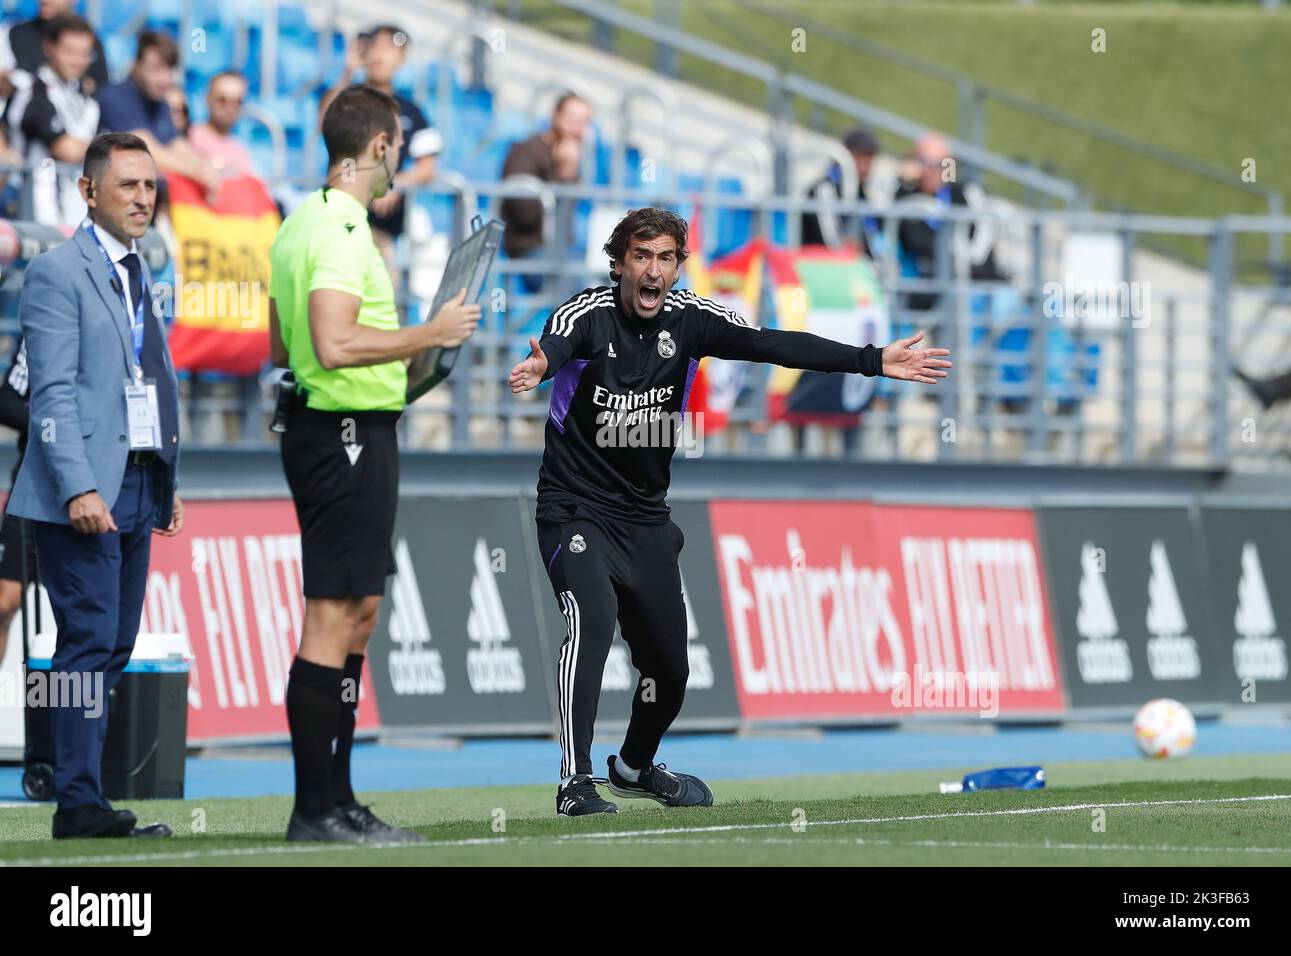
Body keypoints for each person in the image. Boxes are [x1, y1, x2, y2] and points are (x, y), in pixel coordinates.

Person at [507, 207, 951, 815]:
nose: (653, 270)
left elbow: (773, 344)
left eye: (666, 258)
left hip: (645, 519)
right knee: (593, 617)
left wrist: (872, 361)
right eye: (641, 256)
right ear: (619, 264)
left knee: (670, 668)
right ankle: (573, 781)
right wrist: (541, 366)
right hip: (574, 509)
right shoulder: (588, 314)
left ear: (678, 267)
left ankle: (634, 767)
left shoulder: (693, 318)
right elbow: (557, 343)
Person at [268, 84, 480, 843]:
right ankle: (313, 809)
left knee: (359, 616)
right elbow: (331, 344)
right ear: (382, 146)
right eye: (398, 149)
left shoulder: (305, 222)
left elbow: (281, 347)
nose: (399, 165)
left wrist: (412, 364)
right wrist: (431, 330)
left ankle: (340, 799)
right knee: (331, 618)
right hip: (341, 432)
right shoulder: (337, 229)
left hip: (353, 426)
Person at [5, 132, 182, 839]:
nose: (143, 199)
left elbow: (152, 384)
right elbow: (50, 397)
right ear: (88, 191)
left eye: (149, 186)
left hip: (140, 480)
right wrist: (79, 488)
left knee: (112, 644)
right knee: (85, 644)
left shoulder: (142, 272)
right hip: (84, 490)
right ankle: (77, 804)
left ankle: (87, 794)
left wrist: (168, 477)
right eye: (128, 186)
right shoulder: (56, 271)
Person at [318, 25, 440, 274]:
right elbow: (324, 122)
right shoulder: (349, 98)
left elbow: (427, 169)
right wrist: (348, 70)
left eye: (389, 48)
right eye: (375, 47)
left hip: (383, 229)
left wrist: (392, 183)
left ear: (402, 58)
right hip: (340, 218)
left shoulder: (411, 111)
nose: (380, 55)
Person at [2, 13, 99, 228]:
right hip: (33, 211)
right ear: (49, 48)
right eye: (69, 51)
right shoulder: (33, 92)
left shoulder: (87, 99)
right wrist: (109, 151)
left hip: (75, 212)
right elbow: (65, 148)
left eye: (84, 53)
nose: (77, 60)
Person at [96, 30, 218, 197]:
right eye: (155, 70)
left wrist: (205, 168)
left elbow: (177, 145)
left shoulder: (161, 103)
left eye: (169, 70)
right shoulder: (114, 97)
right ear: (136, 66)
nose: (164, 79)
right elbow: (145, 150)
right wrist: (196, 171)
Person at [895, 131, 1005, 312]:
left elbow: (981, 244)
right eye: (924, 163)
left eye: (939, 164)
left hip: (972, 278)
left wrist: (960, 265)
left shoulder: (966, 193)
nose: (931, 171)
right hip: (928, 286)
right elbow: (915, 242)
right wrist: (901, 181)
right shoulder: (906, 196)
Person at [500, 90, 590, 293]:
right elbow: (526, 215)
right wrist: (561, 176)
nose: (577, 129)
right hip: (528, 250)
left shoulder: (573, 160)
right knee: (572, 282)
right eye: (572, 119)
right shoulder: (526, 153)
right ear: (556, 117)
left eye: (584, 122)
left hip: (562, 250)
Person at [0, 0, 110, 100]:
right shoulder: (13, 34)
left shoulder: (90, 41)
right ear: (49, 48)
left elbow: (101, 89)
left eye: (81, 53)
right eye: (69, 51)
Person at [0, 338, 33, 669]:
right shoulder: (40, 330)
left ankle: (78, 715)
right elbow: (6, 400)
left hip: (100, 490)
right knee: (4, 603)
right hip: (33, 488)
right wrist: (53, 429)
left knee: (85, 617)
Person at [801, 127, 879, 255]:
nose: (866, 168)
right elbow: (831, 242)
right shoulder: (824, 189)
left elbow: (874, 236)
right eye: (861, 159)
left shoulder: (861, 193)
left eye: (869, 162)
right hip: (821, 266)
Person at [187, 70, 252, 178]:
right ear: (207, 99)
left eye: (238, 102)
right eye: (222, 100)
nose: (230, 108)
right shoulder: (191, 138)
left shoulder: (240, 150)